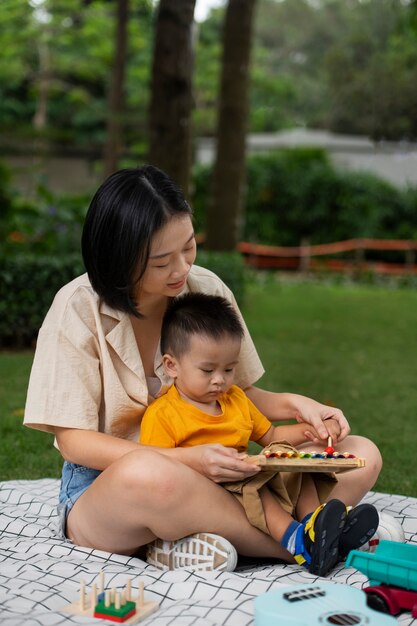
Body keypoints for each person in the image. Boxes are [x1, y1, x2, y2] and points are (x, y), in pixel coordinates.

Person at [23, 165, 382, 573]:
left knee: (361, 454)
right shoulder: (76, 307)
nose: (181, 269)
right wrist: (187, 462)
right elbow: (74, 442)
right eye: (162, 261)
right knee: (151, 475)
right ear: (120, 259)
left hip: (225, 481)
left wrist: (301, 406)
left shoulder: (207, 289)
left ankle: (195, 539)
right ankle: (305, 545)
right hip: (115, 489)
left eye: (189, 247)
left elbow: (235, 392)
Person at [140, 292, 379, 576]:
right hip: (208, 492)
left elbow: (272, 434)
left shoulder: (235, 399)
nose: (220, 379)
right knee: (255, 485)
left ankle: (318, 528)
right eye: (207, 370)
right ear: (171, 365)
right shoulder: (164, 413)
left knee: (296, 464)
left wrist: (309, 431)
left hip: (243, 476)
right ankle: (298, 542)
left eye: (229, 369)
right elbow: (156, 464)